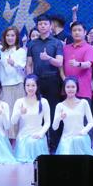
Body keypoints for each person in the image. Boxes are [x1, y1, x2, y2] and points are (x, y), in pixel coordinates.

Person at [26, 14, 64, 150]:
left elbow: (59, 62)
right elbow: (29, 64)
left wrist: (48, 58)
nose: (42, 26)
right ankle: (40, 143)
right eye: (40, 24)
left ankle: (54, 143)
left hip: (53, 80)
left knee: (53, 111)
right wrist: (29, 80)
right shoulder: (32, 43)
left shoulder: (57, 43)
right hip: (37, 82)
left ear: (50, 25)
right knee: (38, 112)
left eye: (45, 24)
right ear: (37, 26)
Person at [10, 75, 50, 163]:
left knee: (36, 148)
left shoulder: (43, 102)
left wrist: (41, 133)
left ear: (37, 86)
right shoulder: (19, 102)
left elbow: (47, 122)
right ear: (24, 86)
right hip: (23, 137)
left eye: (33, 85)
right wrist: (19, 112)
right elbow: (13, 121)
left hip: (38, 135)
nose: (30, 88)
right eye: (27, 85)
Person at [53, 77, 93, 155]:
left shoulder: (83, 103)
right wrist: (59, 118)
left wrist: (83, 132)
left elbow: (91, 122)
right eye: (68, 87)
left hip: (81, 137)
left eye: (73, 87)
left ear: (77, 88)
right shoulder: (60, 106)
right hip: (66, 139)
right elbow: (54, 127)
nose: (70, 89)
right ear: (64, 88)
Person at [0, 26, 27, 141]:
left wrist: (14, 63)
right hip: (4, 85)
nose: (10, 38)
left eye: (12, 35)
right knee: (6, 114)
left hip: (18, 84)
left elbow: (23, 67)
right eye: (8, 35)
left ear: (17, 37)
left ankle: (18, 141)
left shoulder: (21, 51)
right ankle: (6, 142)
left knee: (18, 114)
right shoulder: (0, 51)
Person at [63, 21, 93, 105]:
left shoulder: (89, 48)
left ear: (85, 32)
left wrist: (78, 64)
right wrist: (63, 78)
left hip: (83, 92)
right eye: (74, 30)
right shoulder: (65, 48)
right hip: (67, 90)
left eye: (79, 30)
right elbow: (61, 66)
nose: (77, 32)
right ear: (71, 33)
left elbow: (88, 64)